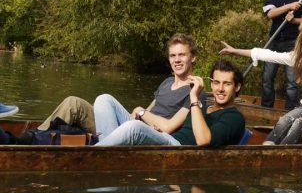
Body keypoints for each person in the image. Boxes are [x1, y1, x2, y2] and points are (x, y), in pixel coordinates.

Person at [28, 34, 203, 138]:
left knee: (105, 99)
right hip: (132, 126)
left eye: (182, 55)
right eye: (173, 56)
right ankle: (35, 137)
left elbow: (168, 127)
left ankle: (105, 146)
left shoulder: (195, 90)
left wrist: (142, 112)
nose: (177, 60)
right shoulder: (166, 83)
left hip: (148, 136)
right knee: (73, 103)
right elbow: (146, 112)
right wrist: (141, 113)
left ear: (193, 57)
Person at [95, 60, 245, 146]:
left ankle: (93, 153)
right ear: (211, 83)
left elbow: (203, 140)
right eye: (216, 82)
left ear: (237, 87)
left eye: (227, 84)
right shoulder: (204, 107)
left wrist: (194, 97)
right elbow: (177, 126)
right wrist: (157, 131)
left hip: (177, 148)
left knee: (134, 127)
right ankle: (105, 150)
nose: (220, 89)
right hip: (167, 137)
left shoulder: (233, 117)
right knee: (104, 100)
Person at [262, 0, 302, 110]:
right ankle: (266, 110)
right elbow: (270, 14)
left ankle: (290, 112)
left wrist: (293, 20)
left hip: (292, 43)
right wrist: (289, 6)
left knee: (292, 82)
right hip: (274, 41)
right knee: (267, 78)